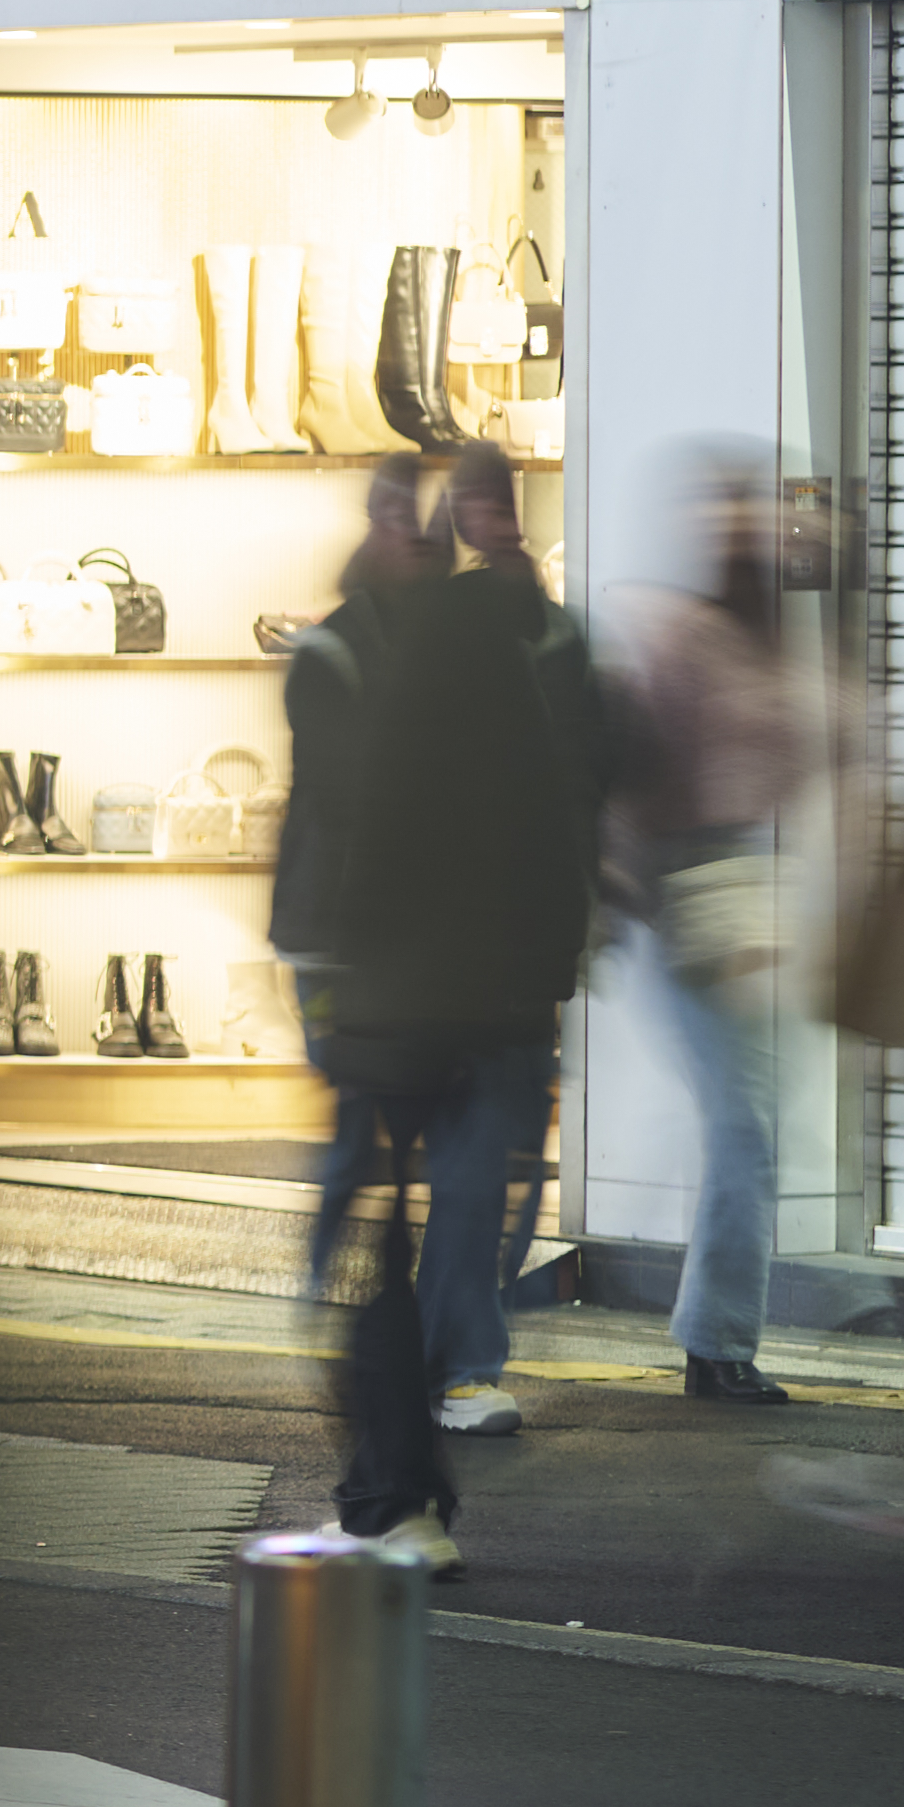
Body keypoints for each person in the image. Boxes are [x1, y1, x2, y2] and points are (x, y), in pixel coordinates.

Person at [272, 432, 606, 1543]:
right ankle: (411, 1417)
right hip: (428, 993)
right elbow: (547, 820)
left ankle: (407, 1455)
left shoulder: (456, 652)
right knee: (399, 1200)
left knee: (414, 1209)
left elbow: (569, 776)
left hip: (419, 999)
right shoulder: (367, 657)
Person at [603, 453, 820, 1404]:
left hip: (748, 893)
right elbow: (638, 774)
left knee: (753, 1122)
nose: (764, 532)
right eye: (740, 517)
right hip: (694, 894)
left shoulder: (763, 642)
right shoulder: (685, 637)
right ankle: (718, 1343)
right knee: (749, 1125)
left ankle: (717, 1334)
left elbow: (814, 748)